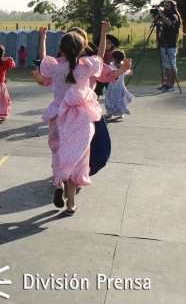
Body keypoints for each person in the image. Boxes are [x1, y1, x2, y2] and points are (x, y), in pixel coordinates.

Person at [39, 32, 130, 215]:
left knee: (59, 152)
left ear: (61, 51)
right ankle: (70, 204)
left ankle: (58, 183)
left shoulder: (56, 69)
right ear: (81, 50)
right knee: (79, 158)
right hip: (80, 117)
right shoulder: (84, 69)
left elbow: (43, 60)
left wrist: (43, 38)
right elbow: (100, 57)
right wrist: (103, 34)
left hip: (58, 115)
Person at [156, 0, 181, 92]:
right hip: (164, 42)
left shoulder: (174, 16)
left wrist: (161, 14)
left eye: (167, 6)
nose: (165, 7)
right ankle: (167, 84)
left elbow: (170, 23)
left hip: (171, 44)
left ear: (172, 7)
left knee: (172, 64)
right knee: (166, 64)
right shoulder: (166, 15)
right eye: (164, 6)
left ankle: (171, 85)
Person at [105, 49, 134, 120]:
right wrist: (129, 72)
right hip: (120, 86)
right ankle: (121, 113)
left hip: (112, 85)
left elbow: (108, 72)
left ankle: (110, 113)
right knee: (120, 99)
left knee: (110, 99)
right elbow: (125, 73)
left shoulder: (111, 65)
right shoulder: (124, 66)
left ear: (114, 58)